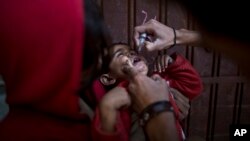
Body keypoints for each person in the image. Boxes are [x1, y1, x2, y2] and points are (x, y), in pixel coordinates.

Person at [0, 0, 187, 141]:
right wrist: (158, 114)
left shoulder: (85, 98)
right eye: (91, 51)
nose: (99, 60)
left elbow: (190, 87)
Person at [93, 42, 202, 140]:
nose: (131, 54)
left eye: (132, 52)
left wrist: (172, 64)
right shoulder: (121, 96)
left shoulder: (159, 81)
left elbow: (193, 86)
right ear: (108, 79)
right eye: (120, 54)